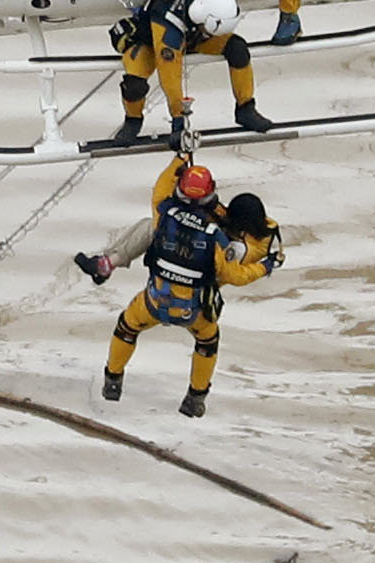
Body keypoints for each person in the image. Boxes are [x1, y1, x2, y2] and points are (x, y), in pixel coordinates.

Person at [74, 156, 284, 417]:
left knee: (126, 328)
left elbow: (160, 188)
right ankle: (195, 399)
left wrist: (181, 157)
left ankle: (113, 381)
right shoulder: (222, 240)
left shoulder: (164, 215)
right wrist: (268, 266)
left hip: (153, 301)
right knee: (208, 343)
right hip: (195, 311)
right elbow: (237, 276)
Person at [108, 0, 271, 143]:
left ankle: (246, 108)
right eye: (209, 33)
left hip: (191, 36)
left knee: (237, 48)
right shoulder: (168, 28)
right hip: (151, 43)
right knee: (134, 85)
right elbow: (170, 77)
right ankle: (133, 119)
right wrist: (179, 120)